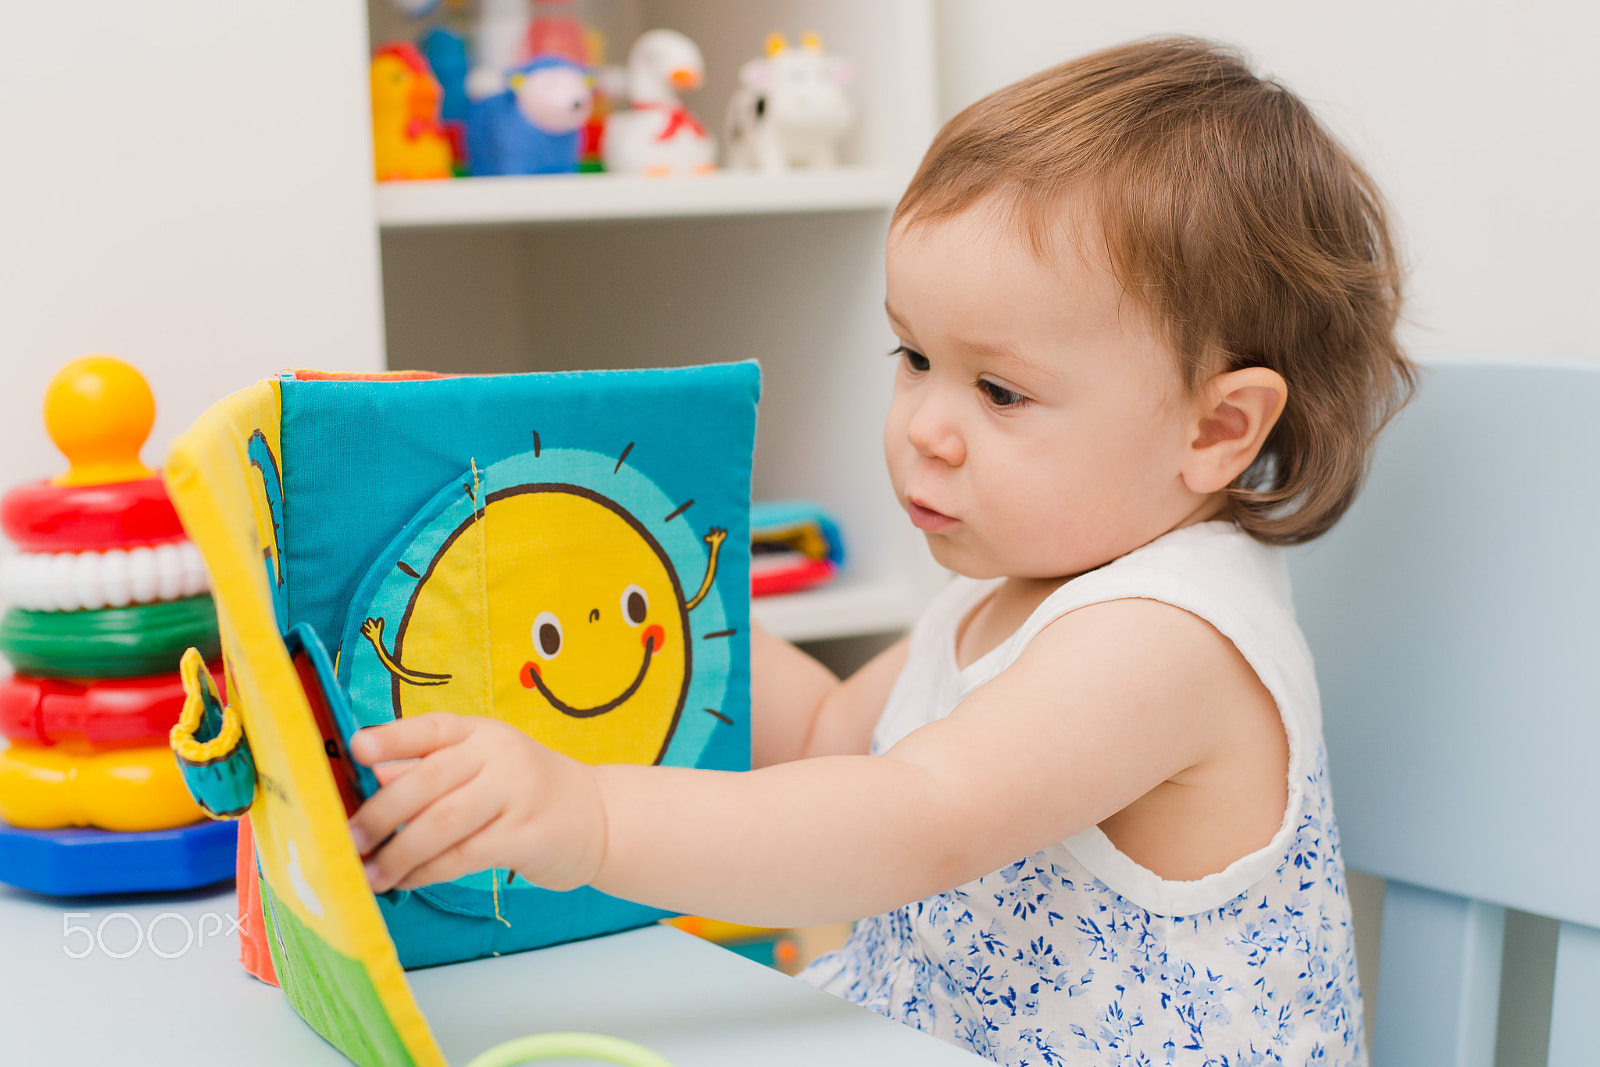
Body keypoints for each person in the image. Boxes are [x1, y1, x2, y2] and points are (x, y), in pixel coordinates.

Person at [346, 36, 1415, 1065]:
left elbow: (918, 816)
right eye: (913, 355)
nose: (923, 427)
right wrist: (615, 583)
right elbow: (826, 735)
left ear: (1217, 428)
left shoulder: (1163, 637)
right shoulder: (1012, 589)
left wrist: (587, 815)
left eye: (999, 390)